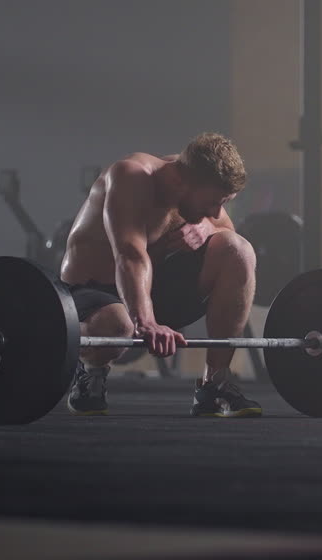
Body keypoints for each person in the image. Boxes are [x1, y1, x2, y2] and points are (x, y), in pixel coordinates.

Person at [59, 132, 260, 418]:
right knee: (118, 325)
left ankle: (214, 384)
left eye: (223, 203)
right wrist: (148, 321)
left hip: (149, 287)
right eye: (213, 202)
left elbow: (229, 235)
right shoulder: (131, 177)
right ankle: (91, 371)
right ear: (183, 181)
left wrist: (208, 228)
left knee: (238, 250)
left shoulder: (196, 187)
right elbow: (129, 254)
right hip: (92, 293)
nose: (216, 211)